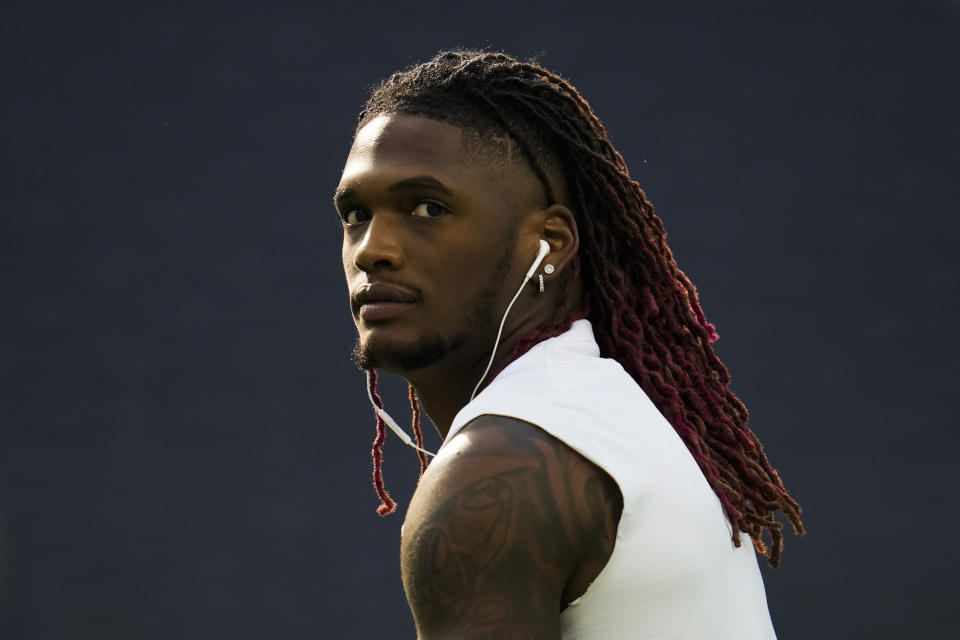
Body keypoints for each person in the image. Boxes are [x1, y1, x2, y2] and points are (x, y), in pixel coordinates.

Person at [334, 50, 804, 639]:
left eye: (428, 208)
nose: (373, 249)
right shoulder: (603, 410)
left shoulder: (504, 465)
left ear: (549, 244)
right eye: (355, 214)